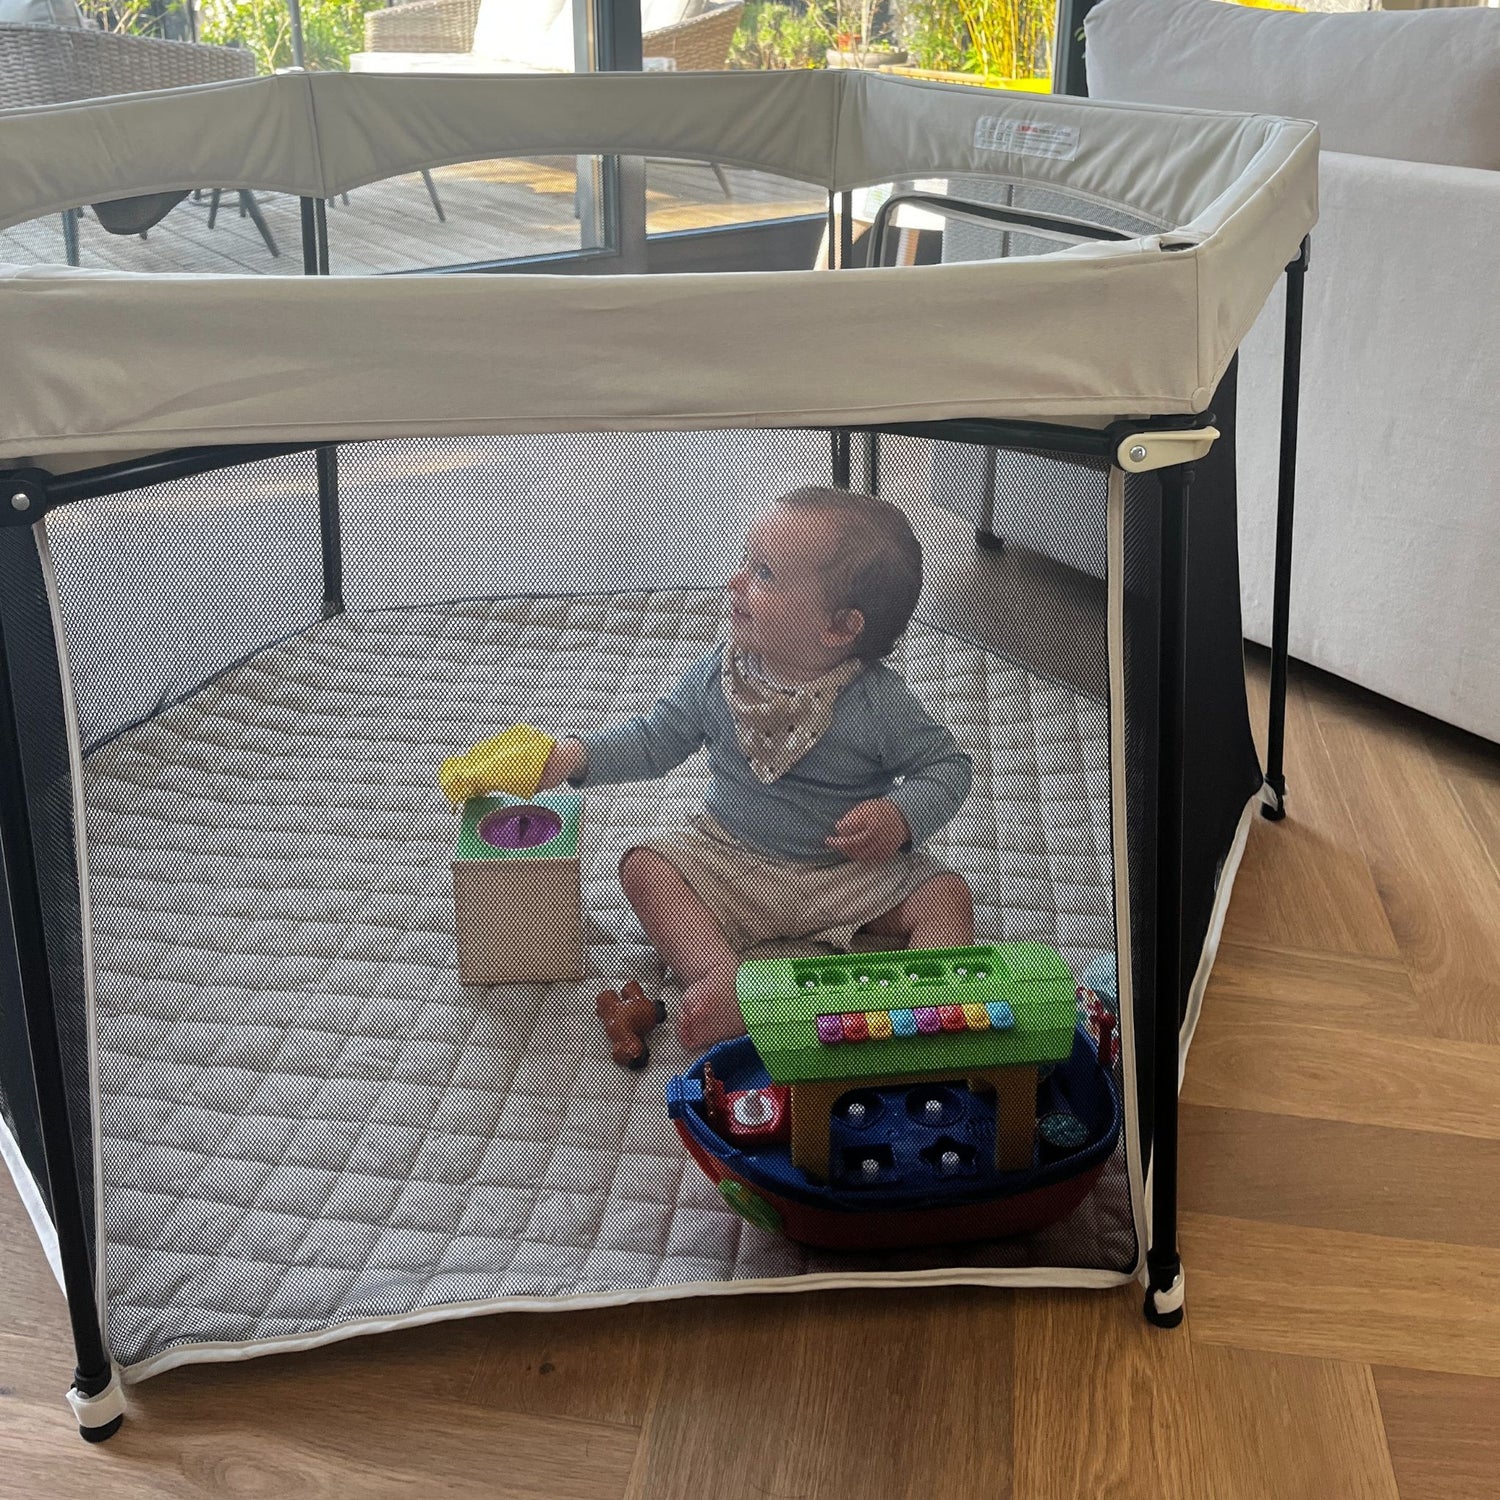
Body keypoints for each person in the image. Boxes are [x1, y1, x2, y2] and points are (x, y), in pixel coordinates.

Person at [538, 486, 975, 1050]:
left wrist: (900, 816)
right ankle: (721, 984)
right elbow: (654, 739)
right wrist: (572, 757)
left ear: (840, 628)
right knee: (646, 867)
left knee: (945, 894)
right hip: (730, 861)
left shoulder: (877, 701)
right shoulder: (722, 674)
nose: (737, 582)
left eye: (764, 574)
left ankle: (924, 1003)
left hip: (843, 876)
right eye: (746, 562)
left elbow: (948, 764)